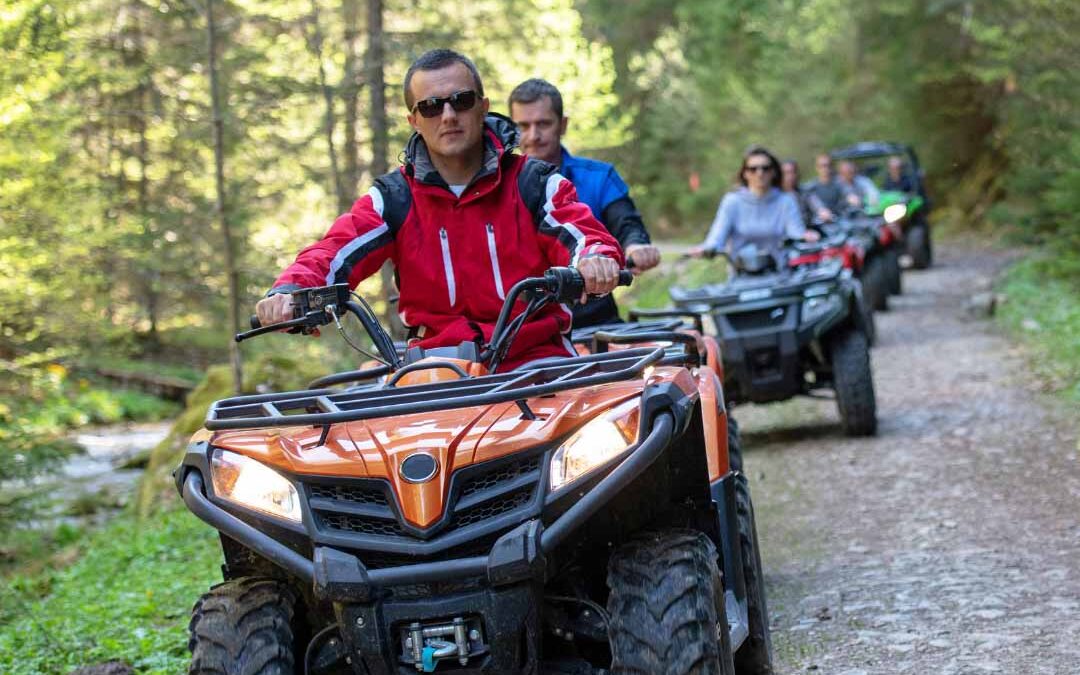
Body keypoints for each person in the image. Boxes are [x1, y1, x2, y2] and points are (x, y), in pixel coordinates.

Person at [255, 49, 623, 371]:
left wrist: (595, 260)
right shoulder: (393, 198)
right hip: (435, 371)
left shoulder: (534, 183)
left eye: (460, 100)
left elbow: (583, 234)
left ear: (482, 106)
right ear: (414, 120)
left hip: (536, 364)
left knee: (600, 439)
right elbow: (334, 250)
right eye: (430, 107)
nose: (447, 115)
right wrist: (291, 290)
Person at [509, 78, 660, 328]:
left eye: (543, 124)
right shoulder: (494, 189)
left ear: (563, 124)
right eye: (523, 126)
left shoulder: (600, 177)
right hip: (521, 332)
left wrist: (635, 247)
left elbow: (626, 223)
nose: (533, 136)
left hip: (596, 324)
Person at [689, 146, 816, 259]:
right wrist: (706, 249)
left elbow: (796, 232)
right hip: (742, 278)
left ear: (773, 172)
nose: (759, 173)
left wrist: (806, 237)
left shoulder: (786, 201)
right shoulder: (732, 201)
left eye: (765, 168)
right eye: (753, 169)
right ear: (745, 173)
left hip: (780, 277)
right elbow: (716, 237)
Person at [803, 153, 851, 223]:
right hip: (819, 223)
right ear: (817, 168)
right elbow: (812, 199)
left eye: (829, 165)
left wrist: (851, 197)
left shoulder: (840, 183)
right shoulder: (811, 187)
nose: (826, 169)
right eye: (823, 166)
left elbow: (848, 192)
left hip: (840, 220)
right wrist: (821, 210)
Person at [781, 159, 814, 227]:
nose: (791, 176)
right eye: (787, 173)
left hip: (807, 230)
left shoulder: (804, 192)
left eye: (793, 172)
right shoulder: (776, 195)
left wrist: (822, 211)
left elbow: (815, 203)